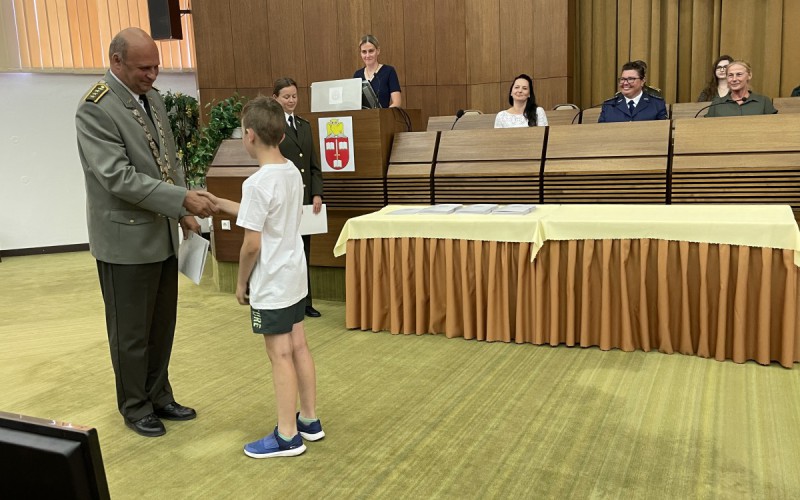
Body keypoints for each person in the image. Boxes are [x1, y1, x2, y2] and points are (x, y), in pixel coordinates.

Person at [75, 28, 217, 437]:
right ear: (116, 61)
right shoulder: (95, 108)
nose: (153, 75)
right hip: (125, 242)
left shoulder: (150, 97)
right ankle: (135, 406)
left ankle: (159, 395)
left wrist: (181, 212)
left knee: (160, 326)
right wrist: (181, 200)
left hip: (161, 235)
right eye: (144, 68)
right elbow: (118, 177)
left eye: (156, 66)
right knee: (131, 333)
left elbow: (168, 161)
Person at [211, 96, 324, 458]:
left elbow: (252, 245)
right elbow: (267, 213)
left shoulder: (257, 183)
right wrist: (220, 203)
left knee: (280, 355)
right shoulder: (290, 170)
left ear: (249, 135)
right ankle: (309, 420)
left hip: (272, 280)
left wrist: (241, 282)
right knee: (299, 346)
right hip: (294, 274)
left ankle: (287, 435)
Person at [272, 78, 324, 318]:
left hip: (305, 202)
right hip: (285, 201)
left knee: (304, 251)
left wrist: (316, 193)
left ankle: (305, 302)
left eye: (294, 96)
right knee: (286, 253)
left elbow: (313, 164)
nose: (291, 100)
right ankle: (288, 303)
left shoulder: (304, 125)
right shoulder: (272, 127)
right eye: (286, 96)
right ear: (275, 98)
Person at [598, 60, 668, 123]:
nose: (625, 83)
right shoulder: (608, 106)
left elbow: (663, 130)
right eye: (622, 79)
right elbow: (600, 131)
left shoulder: (657, 104)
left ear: (642, 81)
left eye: (630, 79)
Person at [706, 61, 778, 117]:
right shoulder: (717, 104)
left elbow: (774, 126)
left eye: (739, 74)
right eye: (730, 75)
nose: (734, 79)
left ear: (749, 75)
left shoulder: (763, 102)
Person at [353, 34, 401, 108]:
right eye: (364, 52)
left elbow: (397, 103)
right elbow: (354, 104)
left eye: (371, 51)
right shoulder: (357, 75)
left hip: (384, 115)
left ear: (378, 51)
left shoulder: (389, 71)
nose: (367, 55)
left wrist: (384, 113)